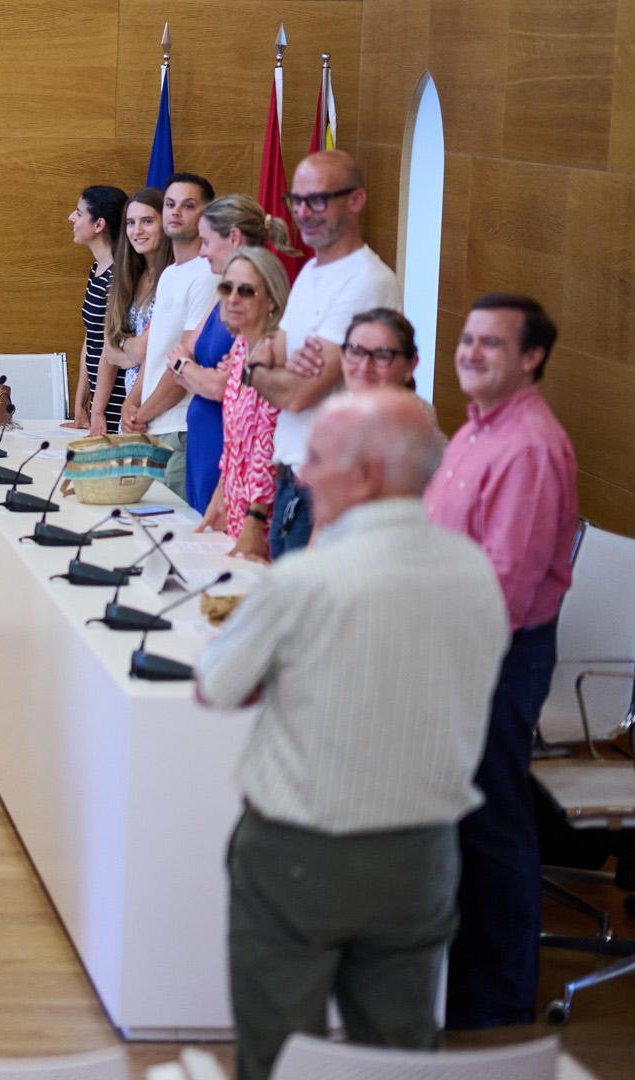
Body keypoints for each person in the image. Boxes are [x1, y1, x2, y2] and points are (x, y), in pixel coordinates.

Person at [196, 390, 509, 1080]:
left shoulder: (305, 581)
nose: (301, 474)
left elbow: (213, 685)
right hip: (425, 855)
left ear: (366, 474)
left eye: (315, 458)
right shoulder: (477, 573)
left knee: (280, 1058)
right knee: (399, 1060)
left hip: (301, 857)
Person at [426, 295, 579, 1029]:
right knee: (465, 814)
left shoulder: (529, 447)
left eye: (492, 344)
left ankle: (498, 1002)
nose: (472, 353)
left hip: (497, 652)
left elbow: (505, 588)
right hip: (456, 641)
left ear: (531, 359)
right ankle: (458, 980)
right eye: (467, 339)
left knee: (491, 818)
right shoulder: (474, 432)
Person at [246, 150, 399, 559]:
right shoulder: (311, 273)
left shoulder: (367, 280)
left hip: (330, 492)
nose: (303, 213)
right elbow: (268, 351)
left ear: (356, 200)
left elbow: (299, 395)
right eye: (296, 201)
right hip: (290, 480)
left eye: (317, 200)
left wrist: (260, 371)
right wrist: (266, 365)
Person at [165, 195, 294, 512]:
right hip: (212, 443)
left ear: (234, 237)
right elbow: (190, 358)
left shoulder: (269, 337)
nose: (201, 251)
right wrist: (194, 370)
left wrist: (187, 367)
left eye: (206, 241)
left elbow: (218, 385)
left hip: (234, 451)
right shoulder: (225, 293)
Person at [123, 172, 217, 497]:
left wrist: (143, 413)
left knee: (173, 535)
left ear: (206, 215)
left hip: (179, 427)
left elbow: (184, 359)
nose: (175, 212)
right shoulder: (169, 274)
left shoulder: (207, 274)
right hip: (152, 423)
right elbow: (156, 350)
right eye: (170, 204)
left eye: (188, 206)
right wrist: (131, 402)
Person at [202, 247, 290, 560]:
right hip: (239, 507)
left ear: (272, 300)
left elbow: (270, 447)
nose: (233, 298)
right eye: (227, 288)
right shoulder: (241, 348)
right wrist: (220, 494)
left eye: (246, 290)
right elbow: (236, 442)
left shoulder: (275, 354)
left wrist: (255, 521)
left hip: (267, 518)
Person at [91, 187, 169, 435]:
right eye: (131, 223)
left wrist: (125, 345)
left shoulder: (172, 277)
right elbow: (110, 351)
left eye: (147, 221)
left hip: (160, 408)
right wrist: (96, 412)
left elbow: (150, 351)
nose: (137, 230)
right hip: (131, 412)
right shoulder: (128, 277)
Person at [64, 185, 126, 431]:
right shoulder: (96, 270)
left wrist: (98, 410)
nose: (71, 217)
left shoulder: (118, 277)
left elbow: (109, 348)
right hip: (98, 401)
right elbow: (91, 339)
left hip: (115, 401)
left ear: (99, 225)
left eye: (79, 213)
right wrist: (80, 407)